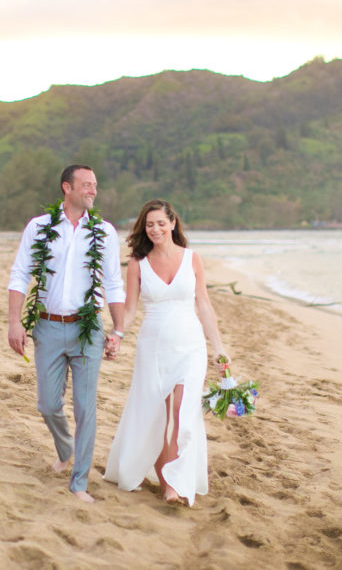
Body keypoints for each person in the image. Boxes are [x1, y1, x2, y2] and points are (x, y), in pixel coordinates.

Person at [7, 164, 126, 503]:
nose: (93, 191)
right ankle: (66, 448)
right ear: (67, 188)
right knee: (47, 404)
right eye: (86, 185)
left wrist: (118, 330)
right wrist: (15, 322)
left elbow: (113, 284)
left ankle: (79, 482)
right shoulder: (40, 227)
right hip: (46, 325)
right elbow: (19, 275)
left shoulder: (104, 232)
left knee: (86, 407)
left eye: (95, 185)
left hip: (88, 329)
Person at [103, 199, 228, 506]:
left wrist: (219, 349)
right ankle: (164, 480)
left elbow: (204, 306)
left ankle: (173, 483)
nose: (155, 228)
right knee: (158, 414)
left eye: (161, 223)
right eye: (149, 224)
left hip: (190, 346)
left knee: (181, 413)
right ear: (144, 229)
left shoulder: (192, 258)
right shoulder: (137, 263)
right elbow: (130, 309)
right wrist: (117, 334)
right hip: (154, 347)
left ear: (173, 223)